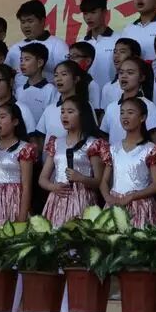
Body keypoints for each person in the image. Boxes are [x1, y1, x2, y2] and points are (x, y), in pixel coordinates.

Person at [39, 96, 107, 227]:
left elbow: (99, 181)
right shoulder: (56, 143)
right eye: (62, 112)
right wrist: (53, 187)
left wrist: (81, 178)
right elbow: (42, 179)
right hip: (57, 200)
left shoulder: (92, 144)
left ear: (82, 115)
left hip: (82, 200)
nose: (64, 115)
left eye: (70, 112)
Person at [100, 97, 156, 228]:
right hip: (115, 205)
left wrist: (132, 197)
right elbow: (104, 182)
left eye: (130, 112)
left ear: (142, 117)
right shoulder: (113, 149)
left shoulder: (150, 149)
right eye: (122, 112)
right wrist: (108, 198)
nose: (125, 116)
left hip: (140, 207)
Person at [100, 57, 156, 145]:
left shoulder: (148, 105)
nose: (124, 76)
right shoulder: (111, 107)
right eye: (121, 72)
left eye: (130, 73)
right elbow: (104, 137)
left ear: (142, 77)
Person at [5, 0, 69, 82]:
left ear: (42, 21)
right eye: (23, 22)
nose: (26, 26)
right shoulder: (14, 48)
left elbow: (67, 73)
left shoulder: (58, 45)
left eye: (30, 21)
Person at [35, 60, 90, 145]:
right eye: (56, 75)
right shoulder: (50, 108)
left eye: (64, 74)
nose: (58, 79)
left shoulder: (85, 106)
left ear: (76, 79)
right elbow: (40, 137)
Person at [80, 0, 117, 88]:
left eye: (93, 12)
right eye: (85, 13)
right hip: (87, 94)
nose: (88, 17)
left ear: (105, 12)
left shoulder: (118, 40)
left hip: (112, 93)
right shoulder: (81, 43)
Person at [15, 43, 57, 124]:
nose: (22, 63)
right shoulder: (19, 90)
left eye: (27, 59)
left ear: (40, 63)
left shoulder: (50, 90)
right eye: (21, 60)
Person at [101, 37, 141, 110]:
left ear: (134, 56)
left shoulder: (139, 83)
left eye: (122, 52)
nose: (116, 56)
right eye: (115, 52)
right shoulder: (107, 87)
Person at [68, 42, 103, 115]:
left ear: (88, 61)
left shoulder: (92, 85)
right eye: (69, 56)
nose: (70, 60)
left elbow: (94, 113)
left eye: (74, 57)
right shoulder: (66, 81)